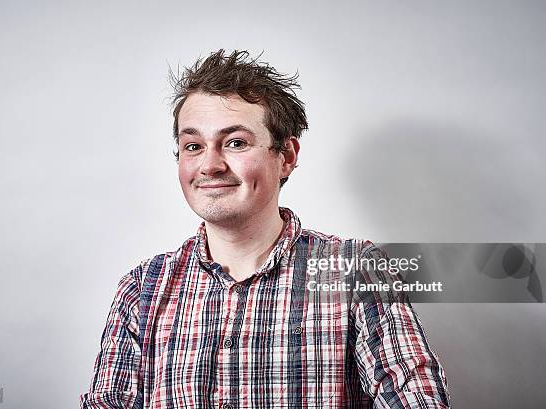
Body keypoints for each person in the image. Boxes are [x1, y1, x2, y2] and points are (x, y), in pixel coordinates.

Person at [80, 49, 450, 408]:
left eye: (236, 142)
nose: (209, 165)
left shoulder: (355, 269)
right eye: (192, 145)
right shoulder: (143, 288)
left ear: (286, 157)